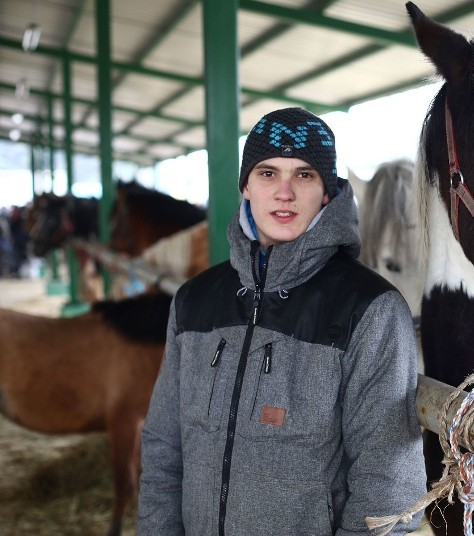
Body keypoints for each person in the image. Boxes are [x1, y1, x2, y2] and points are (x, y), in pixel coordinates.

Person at [138, 107, 426, 535]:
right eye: (268, 173)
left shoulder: (371, 309)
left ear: (327, 192)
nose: (284, 192)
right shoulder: (193, 302)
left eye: (305, 175)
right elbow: (163, 448)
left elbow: (389, 485)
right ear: (246, 187)